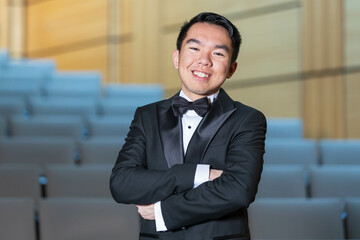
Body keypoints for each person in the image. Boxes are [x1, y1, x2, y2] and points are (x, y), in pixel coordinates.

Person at [110, 12, 266, 240]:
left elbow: (239, 190)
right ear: (176, 57)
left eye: (218, 53)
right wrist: (199, 174)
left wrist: (163, 211)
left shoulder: (248, 119)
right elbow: (122, 184)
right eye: (194, 48)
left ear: (231, 68)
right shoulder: (146, 115)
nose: (204, 60)